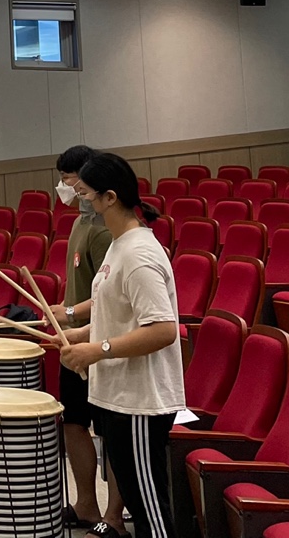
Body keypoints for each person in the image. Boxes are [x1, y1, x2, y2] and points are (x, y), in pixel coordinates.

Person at [60, 152, 184, 538]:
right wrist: (83, 334)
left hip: (140, 401)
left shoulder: (139, 253)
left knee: (151, 513)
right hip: (117, 397)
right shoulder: (119, 245)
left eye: (86, 193)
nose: (82, 200)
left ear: (110, 197)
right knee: (136, 497)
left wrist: (97, 350)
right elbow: (116, 311)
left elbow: (163, 329)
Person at [50, 145, 127, 538]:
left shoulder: (101, 230)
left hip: (101, 343)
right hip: (77, 342)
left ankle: (114, 515)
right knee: (74, 423)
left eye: (69, 180)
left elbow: (108, 298)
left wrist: (70, 313)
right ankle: (85, 504)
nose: (65, 187)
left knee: (108, 432)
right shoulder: (80, 223)